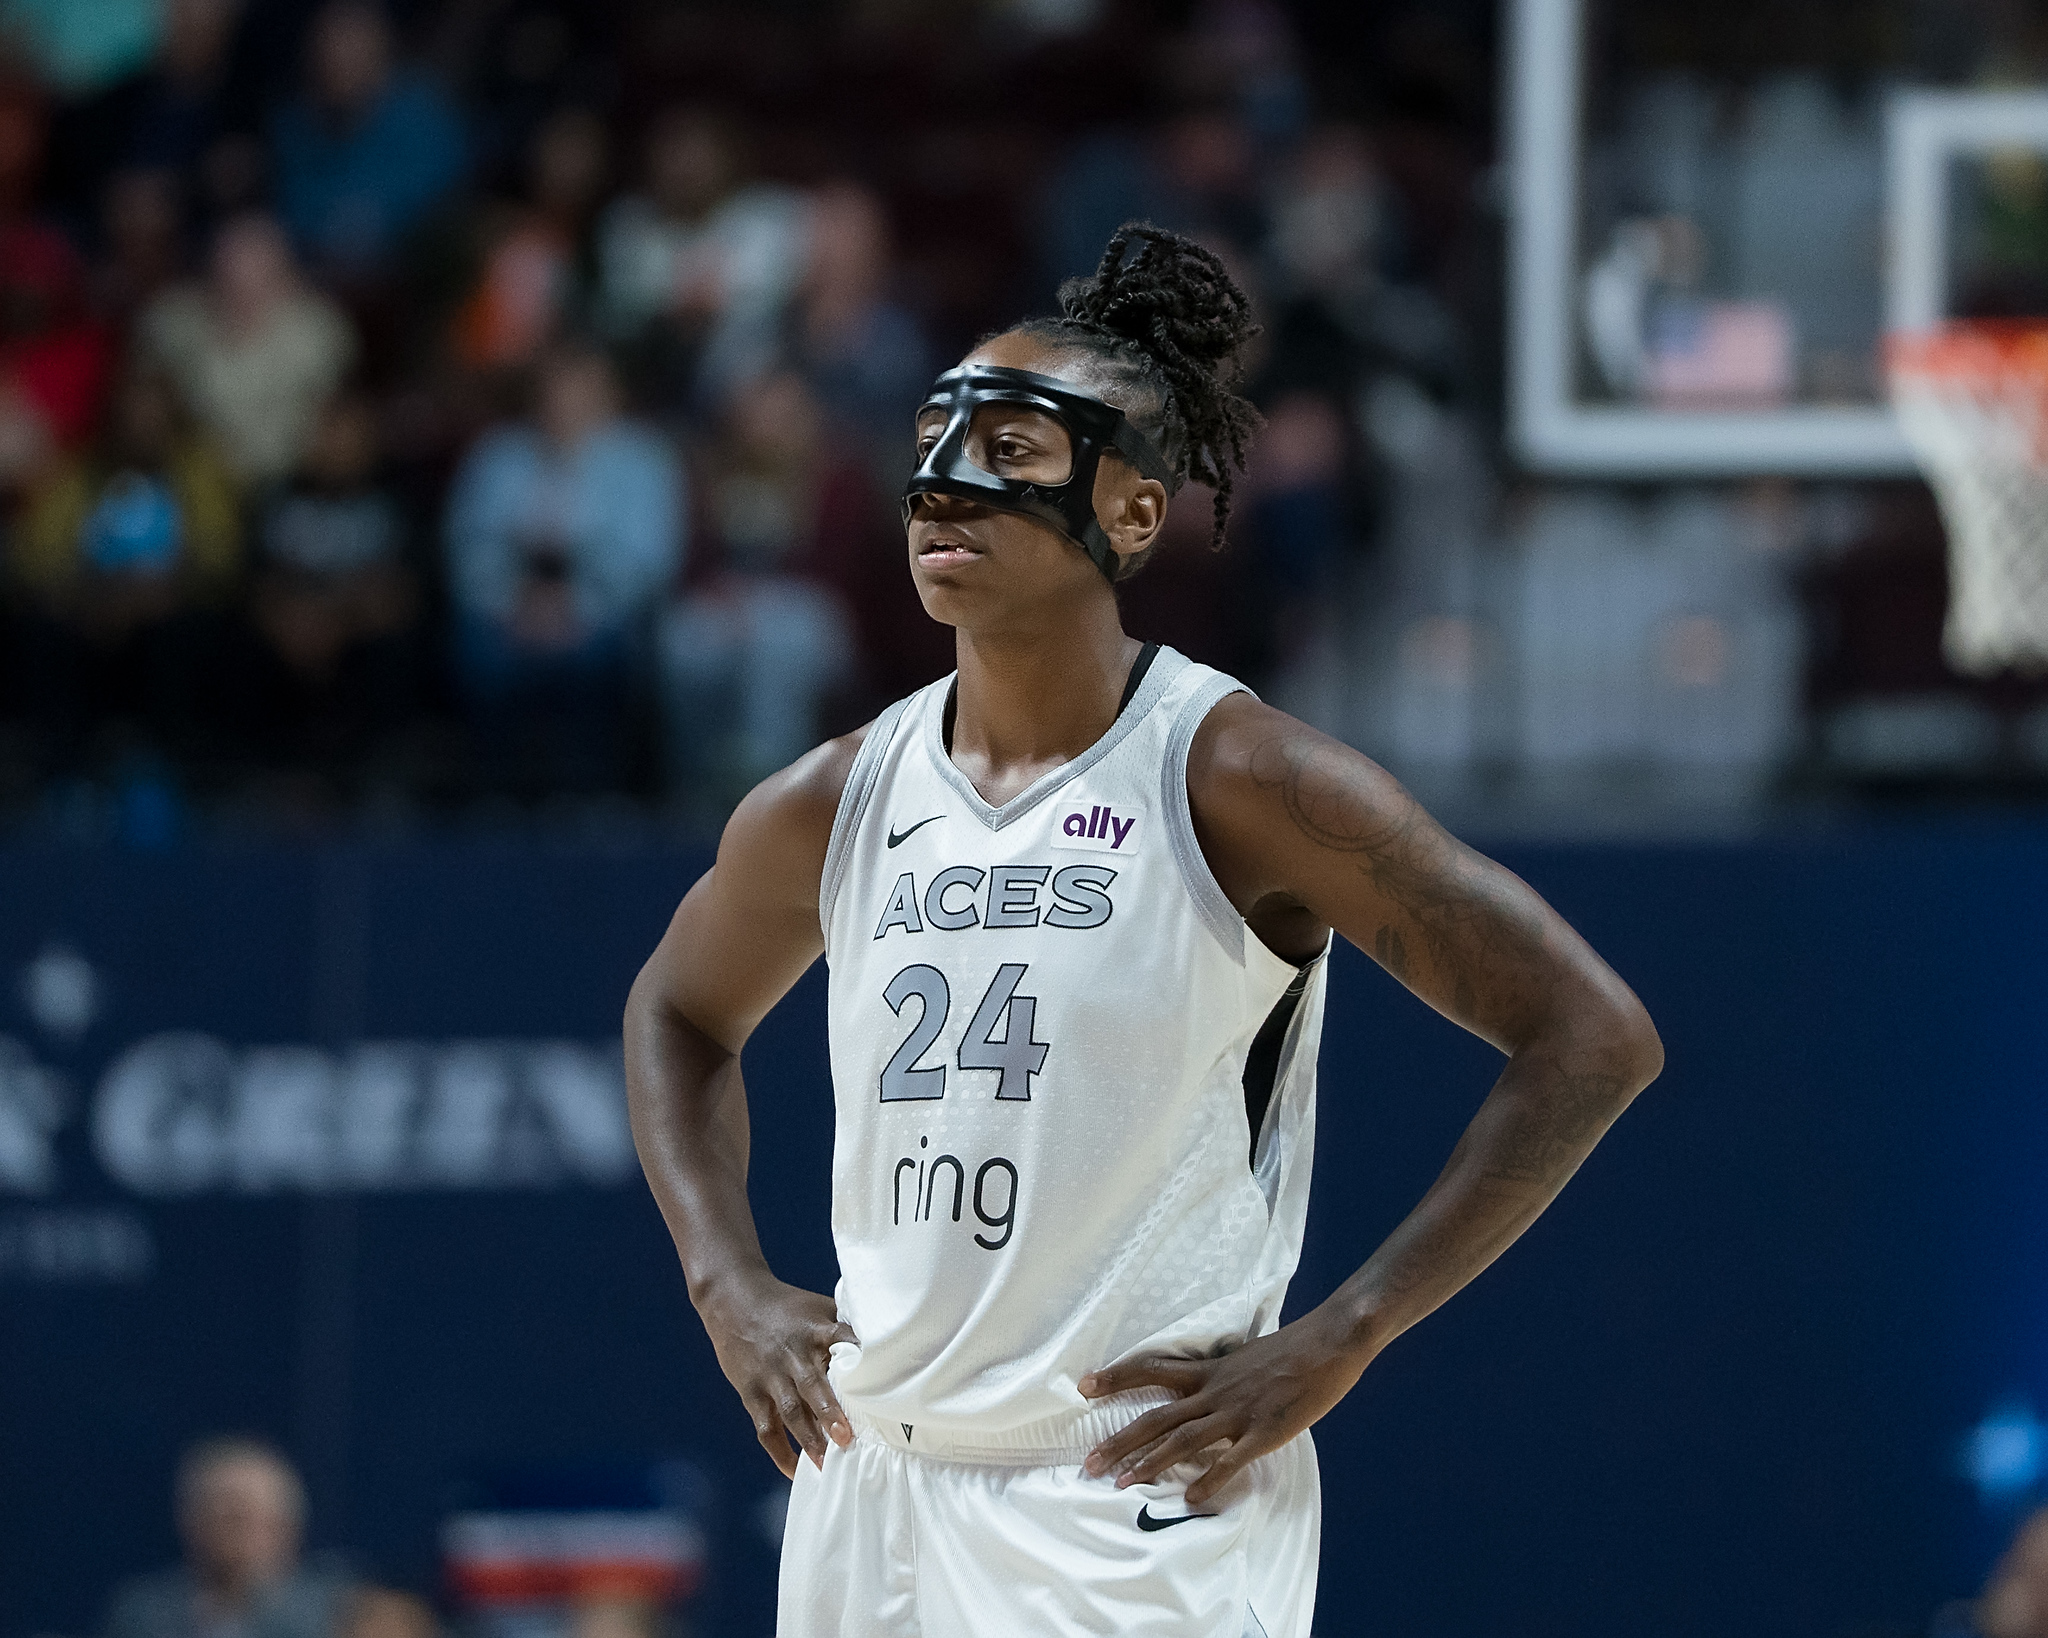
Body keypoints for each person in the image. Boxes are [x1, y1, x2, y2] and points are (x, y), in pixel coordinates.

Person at [623, 224, 1664, 1637]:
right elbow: (677, 1013)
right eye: (933, 440)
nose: (944, 481)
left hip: (1126, 1485)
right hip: (871, 1477)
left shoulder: (1242, 777)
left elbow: (1592, 1034)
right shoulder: (833, 797)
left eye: (1009, 447)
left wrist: (1349, 1330)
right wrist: (725, 1282)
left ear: (1130, 513)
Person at [444, 339, 682, 789]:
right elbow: (467, 549)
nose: (565, 401)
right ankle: (494, 798)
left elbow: (649, 563)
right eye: (556, 388)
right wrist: (516, 605)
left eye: (580, 389)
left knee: (599, 665)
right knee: (482, 660)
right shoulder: (497, 457)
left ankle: (591, 799)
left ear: (609, 395)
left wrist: (576, 607)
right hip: (508, 613)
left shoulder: (643, 462)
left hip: (600, 616)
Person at [138, 212, 356, 487]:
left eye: (258, 271)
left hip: (298, 480)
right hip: (194, 480)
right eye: (230, 269)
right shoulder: (171, 325)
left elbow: (340, 417)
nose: (241, 281)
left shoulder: (320, 332)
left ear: (285, 276)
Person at [100, 1436, 351, 1638]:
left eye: (239, 1516)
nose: (224, 1531)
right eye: (210, 1513)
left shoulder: (335, 1614)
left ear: (284, 1527)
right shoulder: (143, 1613)